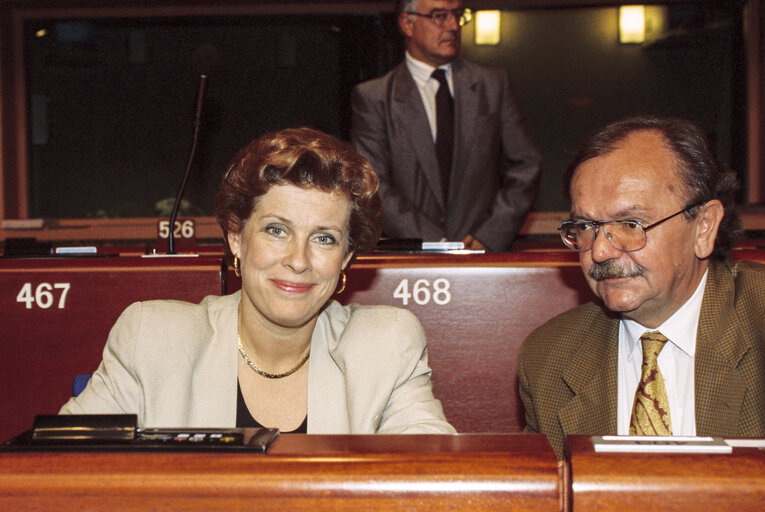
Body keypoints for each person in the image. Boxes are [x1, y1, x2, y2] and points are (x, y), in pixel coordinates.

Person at [60, 127, 455, 434]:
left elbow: (432, 478)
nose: (298, 260)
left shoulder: (387, 346)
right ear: (236, 236)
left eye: (324, 238)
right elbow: (60, 476)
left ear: (346, 257)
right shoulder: (152, 338)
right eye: (276, 231)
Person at [518, 116, 765, 459]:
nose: (600, 251)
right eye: (586, 226)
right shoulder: (550, 357)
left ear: (703, 227)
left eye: (631, 224)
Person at [350, 0, 540, 252]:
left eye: (457, 15)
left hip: (483, 255)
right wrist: (437, 244)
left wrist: (491, 234)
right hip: (410, 261)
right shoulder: (374, 97)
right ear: (407, 23)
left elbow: (526, 165)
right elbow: (372, 183)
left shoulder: (493, 85)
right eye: (440, 16)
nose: (452, 26)